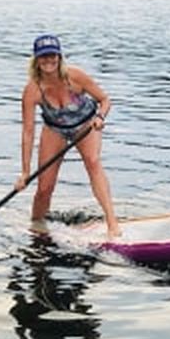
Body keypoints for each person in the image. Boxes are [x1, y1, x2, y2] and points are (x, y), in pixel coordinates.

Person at [15, 33, 121, 238]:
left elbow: (105, 100)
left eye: (53, 55)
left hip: (86, 125)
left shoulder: (75, 76)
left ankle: (112, 223)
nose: (49, 61)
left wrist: (100, 117)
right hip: (55, 128)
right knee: (45, 187)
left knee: (92, 162)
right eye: (44, 57)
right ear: (36, 60)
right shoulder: (32, 90)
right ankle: (36, 226)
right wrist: (25, 172)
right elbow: (28, 132)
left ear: (59, 57)